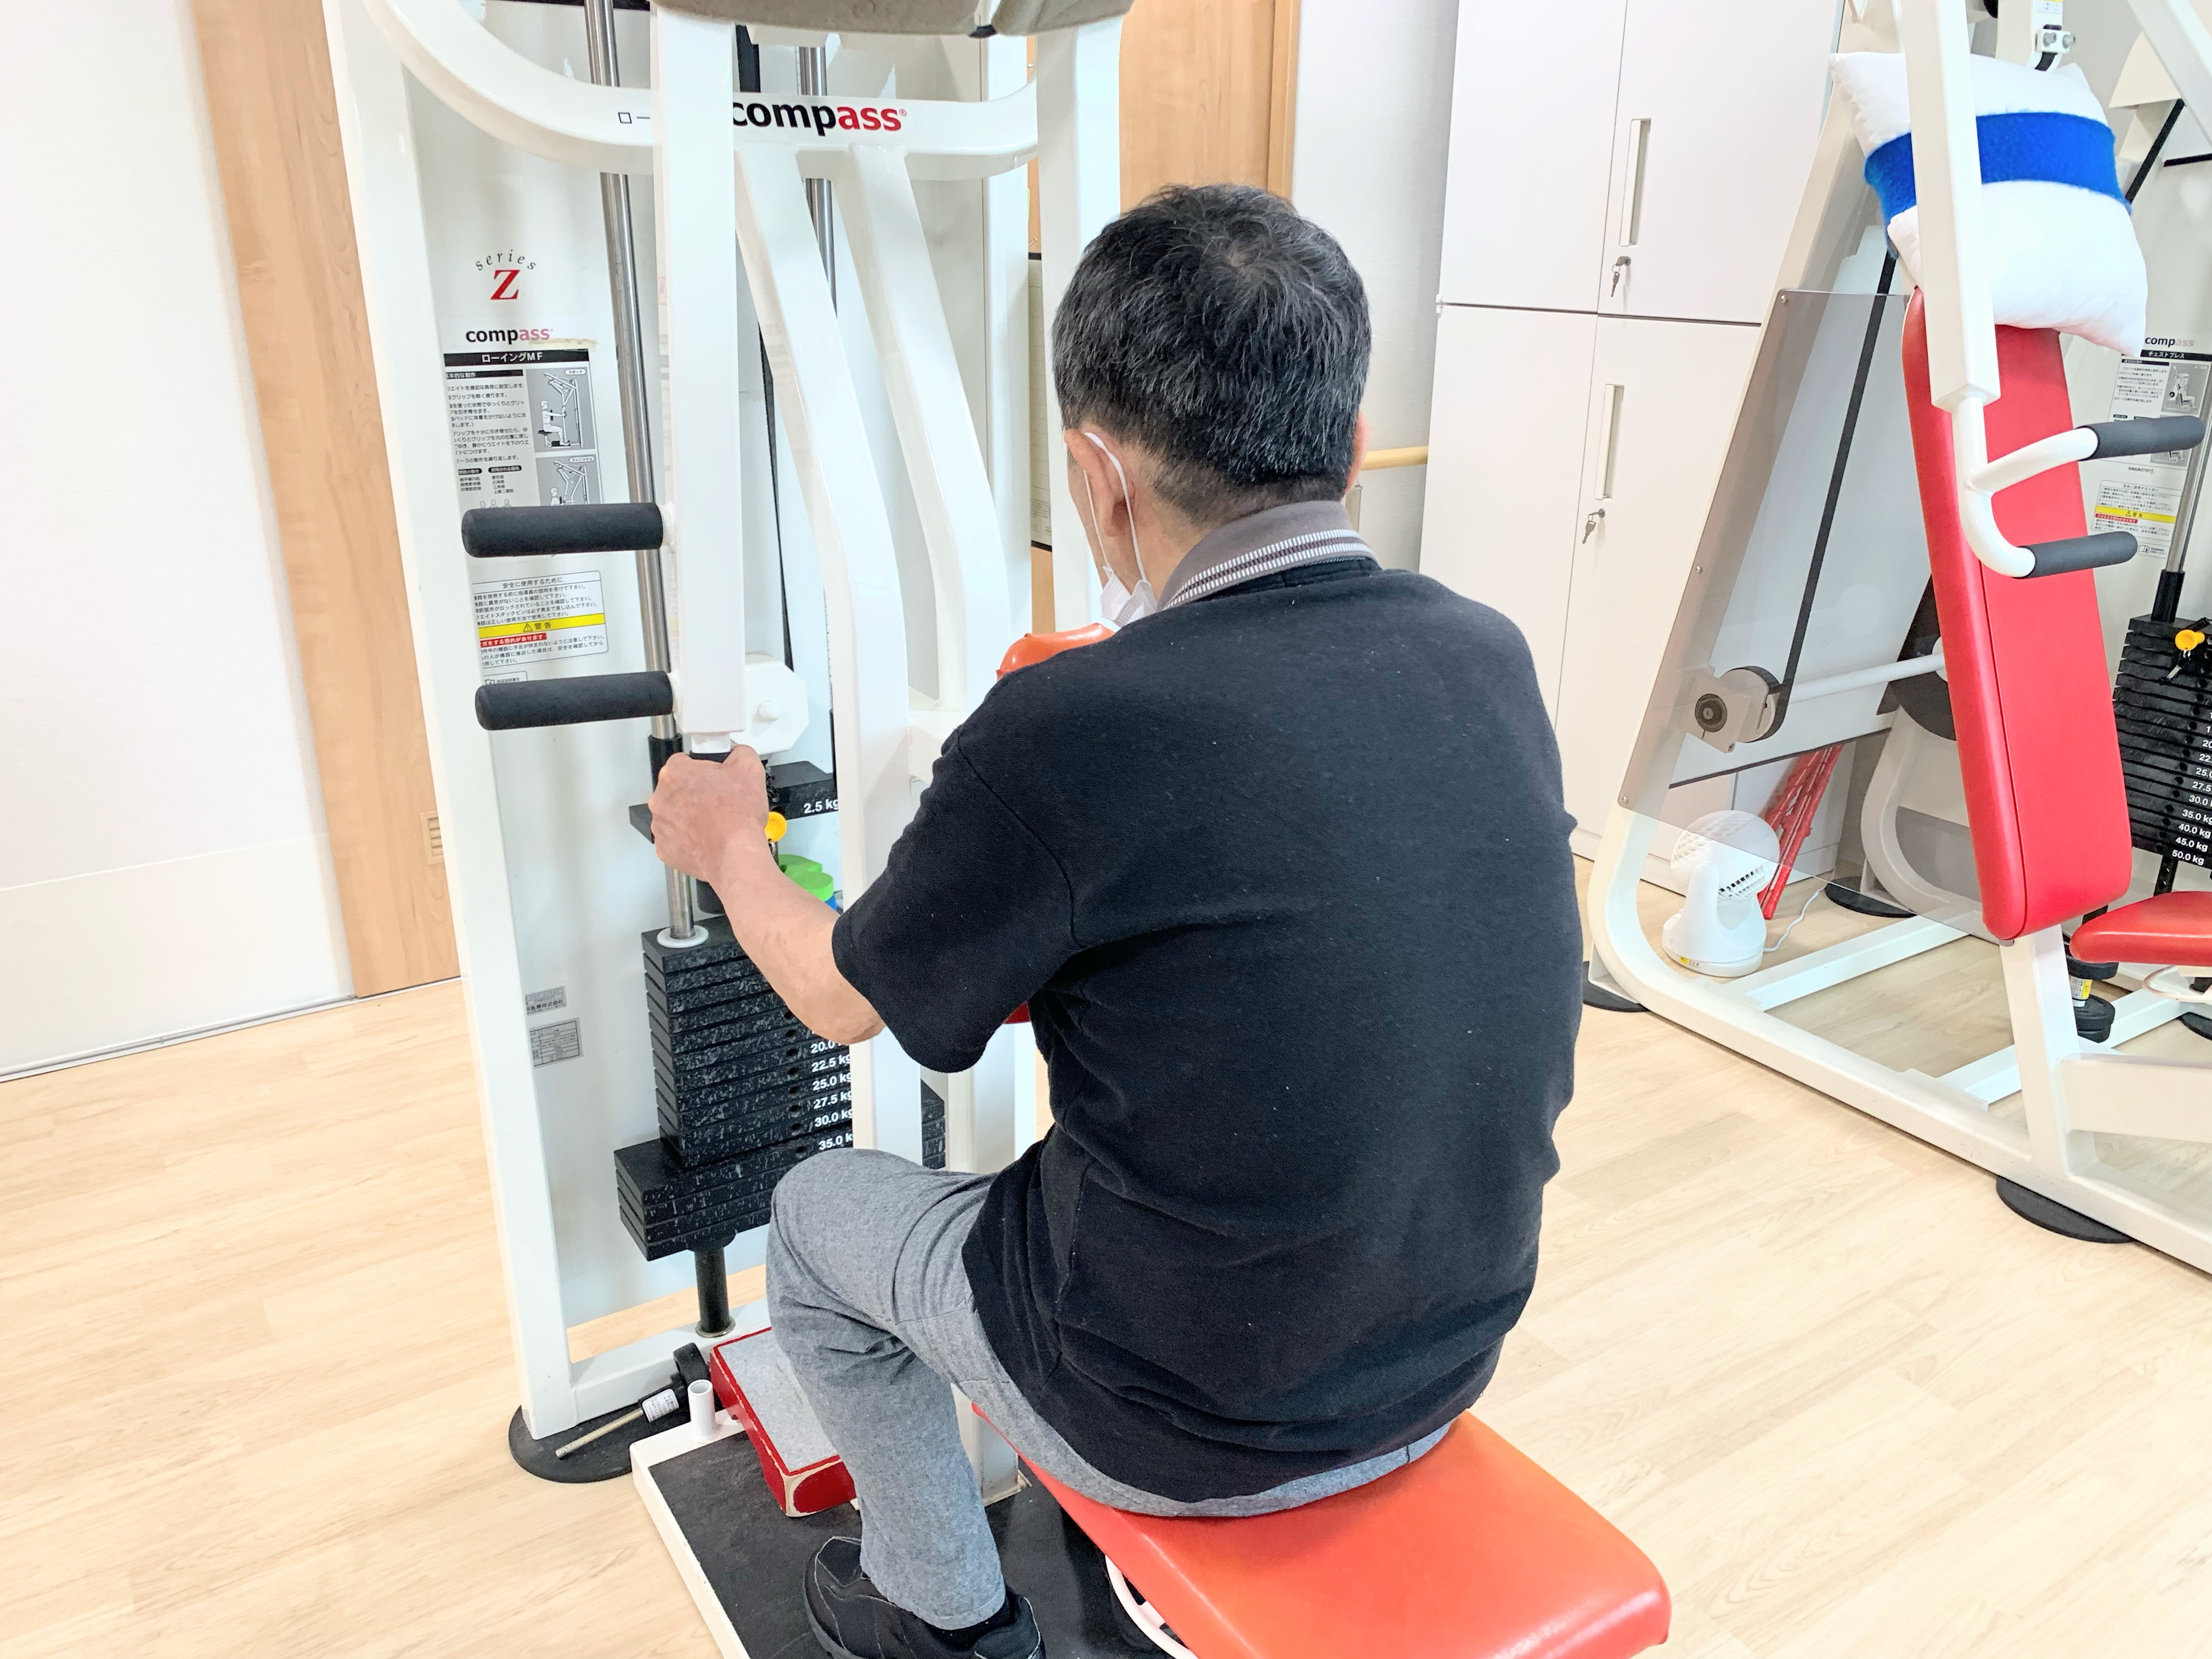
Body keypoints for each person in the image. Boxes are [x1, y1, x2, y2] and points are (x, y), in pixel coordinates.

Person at [645, 183, 1581, 1659]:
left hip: (1179, 1423)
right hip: (1441, 1358)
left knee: (820, 1219)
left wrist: (726, 852)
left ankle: (943, 1622)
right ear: (1349, 443)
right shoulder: (1488, 651)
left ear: (1096, 475)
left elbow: (838, 999)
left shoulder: (1072, 724)